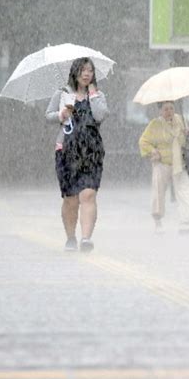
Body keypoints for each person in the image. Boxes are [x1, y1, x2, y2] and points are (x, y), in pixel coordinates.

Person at [45, 57, 109, 252]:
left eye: (90, 70)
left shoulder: (98, 94)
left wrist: (93, 94)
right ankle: (71, 237)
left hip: (91, 150)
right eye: (82, 70)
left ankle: (86, 239)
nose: (86, 74)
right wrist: (61, 115)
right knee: (71, 198)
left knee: (88, 194)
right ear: (75, 72)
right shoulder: (62, 93)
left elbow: (100, 115)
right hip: (67, 150)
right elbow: (48, 115)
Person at [139, 101, 189, 234]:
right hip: (162, 162)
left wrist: (188, 134)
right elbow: (143, 141)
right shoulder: (155, 124)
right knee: (158, 192)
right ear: (160, 111)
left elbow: (187, 140)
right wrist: (152, 151)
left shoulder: (181, 120)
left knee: (184, 191)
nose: (169, 112)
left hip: (179, 162)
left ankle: (187, 221)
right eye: (165, 109)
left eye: (171, 108)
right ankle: (158, 221)